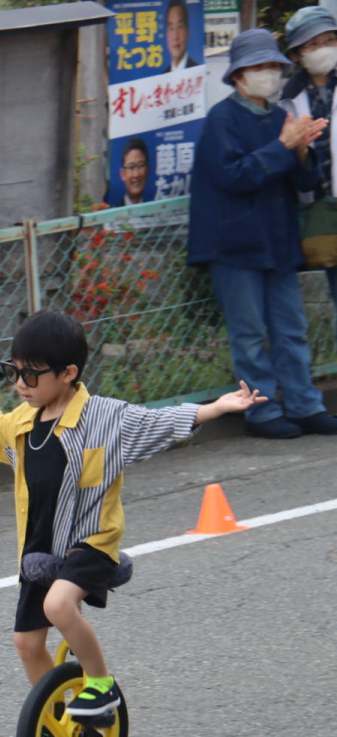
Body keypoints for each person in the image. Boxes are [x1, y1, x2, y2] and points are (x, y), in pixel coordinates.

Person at [0, 310, 265, 728]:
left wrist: (215, 408)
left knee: (58, 604)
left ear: (68, 373)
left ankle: (100, 684)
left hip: (90, 544)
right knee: (26, 644)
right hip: (40, 550)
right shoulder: (22, 423)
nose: (19, 384)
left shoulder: (106, 418)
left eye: (31, 375)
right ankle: (56, 723)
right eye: (13, 372)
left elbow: (157, 422)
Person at [187, 28, 337, 438]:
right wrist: (283, 145)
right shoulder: (222, 119)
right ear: (237, 75)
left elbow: (305, 181)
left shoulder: (279, 118)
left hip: (278, 240)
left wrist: (301, 149)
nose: (269, 74)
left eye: (274, 66)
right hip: (233, 245)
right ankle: (262, 411)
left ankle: (306, 405)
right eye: (259, 67)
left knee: (291, 328)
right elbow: (234, 176)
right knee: (249, 334)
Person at [280, 5, 337, 340]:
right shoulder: (285, 97)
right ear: (298, 54)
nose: (325, 48)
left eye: (330, 39)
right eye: (313, 43)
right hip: (317, 213)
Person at [163, 0, 200, 73]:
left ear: (187, 30)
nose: (175, 37)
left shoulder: (197, 71)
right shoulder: (162, 78)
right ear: (166, 34)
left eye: (179, 27)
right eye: (171, 28)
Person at [120, 138, 150, 205]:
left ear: (147, 170)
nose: (136, 174)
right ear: (122, 174)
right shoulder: (113, 213)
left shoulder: (156, 212)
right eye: (131, 167)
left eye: (140, 165)